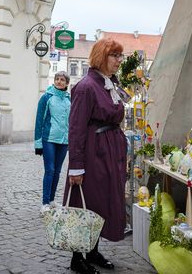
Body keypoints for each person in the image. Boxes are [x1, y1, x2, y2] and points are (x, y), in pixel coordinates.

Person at [63, 38, 127, 274]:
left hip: (109, 153)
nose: (119, 60)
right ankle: (77, 257)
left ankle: (92, 250)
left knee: (101, 203)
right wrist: (76, 166)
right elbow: (76, 129)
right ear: (102, 57)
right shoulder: (86, 87)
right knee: (85, 204)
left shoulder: (109, 84)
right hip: (93, 154)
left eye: (120, 56)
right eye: (115, 56)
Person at [34, 71, 71, 214]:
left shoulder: (69, 99)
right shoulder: (46, 97)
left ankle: (51, 200)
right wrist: (38, 143)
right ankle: (44, 203)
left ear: (67, 83)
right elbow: (39, 120)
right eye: (57, 79)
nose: (59, 82)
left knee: (57, 171)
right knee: (49, 170)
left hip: (64, 140)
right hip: (48, 139)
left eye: (62, 80)